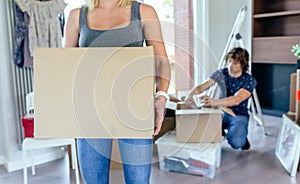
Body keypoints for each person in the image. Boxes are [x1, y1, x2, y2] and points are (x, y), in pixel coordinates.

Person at [64, 0, 170, 183]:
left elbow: (161, 61)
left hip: (134, 109)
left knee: (138, 181)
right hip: (90, 111)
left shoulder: (144, 12)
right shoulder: (76, 16)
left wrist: (162, 96)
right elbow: (67, 66)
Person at [185, 47, 256, 151]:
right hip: (220, 112)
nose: (231, 66)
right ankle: (220, 131)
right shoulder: (221, 73)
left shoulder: (249, 80)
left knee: (236, 143)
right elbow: (203, 86)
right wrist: (189, 96)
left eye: (235, 63)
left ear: (243, 65)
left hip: (238, 114)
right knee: (203, 128)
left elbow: (237, 99)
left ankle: (241, 138)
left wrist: (213, 102)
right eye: (230, 61)